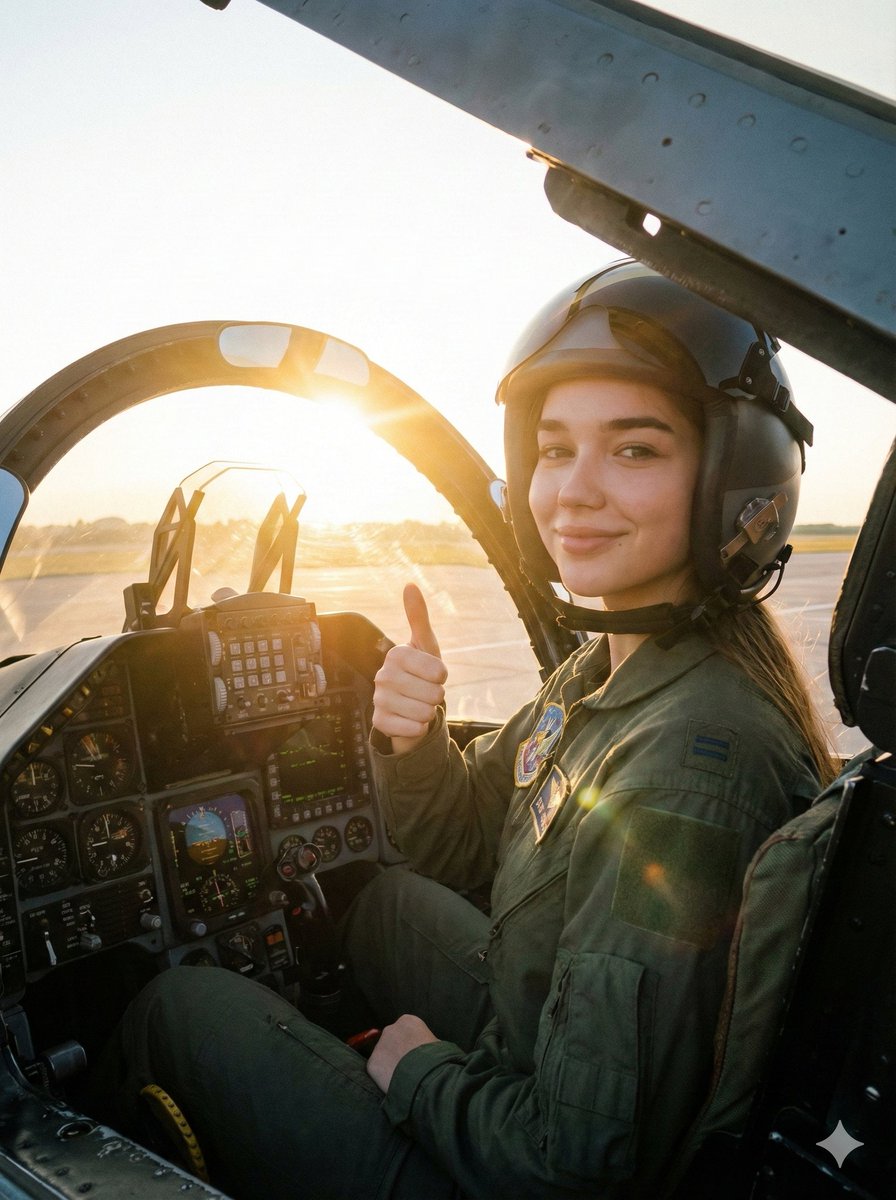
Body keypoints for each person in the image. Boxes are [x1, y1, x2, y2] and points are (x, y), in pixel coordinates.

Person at [89, 260, 834, 1200]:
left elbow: (575, 1172)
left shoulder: (683, 769)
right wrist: (419, 738)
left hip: (528, 1166)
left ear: (734, 481)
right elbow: (458, 846)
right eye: (555, 449)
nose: (573, 491)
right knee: (381, 904)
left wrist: (418, 1074)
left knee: (177, 1006)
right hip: (541, 1038)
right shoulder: (613, 666)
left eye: (635, 450)